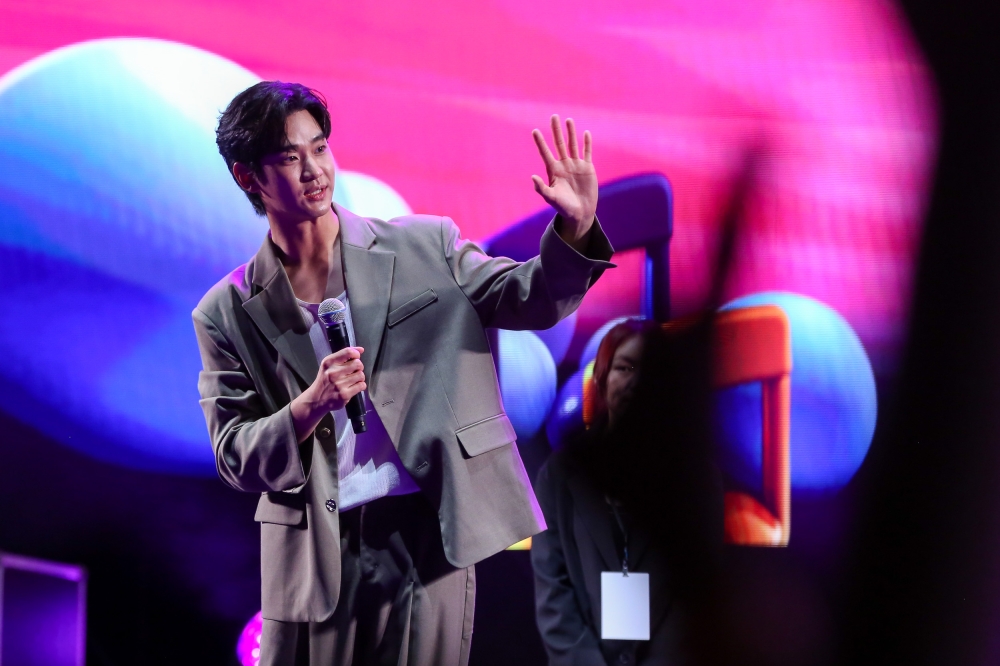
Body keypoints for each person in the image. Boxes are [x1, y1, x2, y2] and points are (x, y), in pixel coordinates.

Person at [192, 81, 614, 665]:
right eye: (290, 157)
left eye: (320, 148)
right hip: (315, 547)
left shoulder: (423, 245)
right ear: (248, 177)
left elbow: (533, 297)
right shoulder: (226, 312)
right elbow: (234, 455)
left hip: (428, 528)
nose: (314, 169)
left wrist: (575, 230)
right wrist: (309, 404)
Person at [531, 319, 723, 665]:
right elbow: (554, 592)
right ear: (602, 379)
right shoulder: (559, 476)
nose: (635, 380)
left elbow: (699, 592)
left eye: (647, 370)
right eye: (624, 367)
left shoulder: (697, 477)